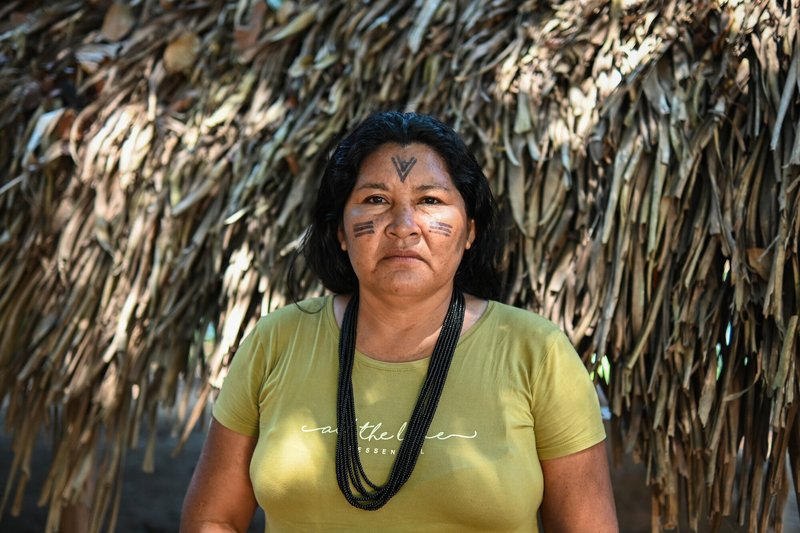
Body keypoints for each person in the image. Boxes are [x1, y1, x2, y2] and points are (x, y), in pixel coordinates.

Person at [181, 111, 618, 532]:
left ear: (469, 230)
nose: (403, 226)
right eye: (376, 200)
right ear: (339, 230)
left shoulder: (537, 353)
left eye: (430, 200)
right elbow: (212, 518)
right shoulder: (276, 342)